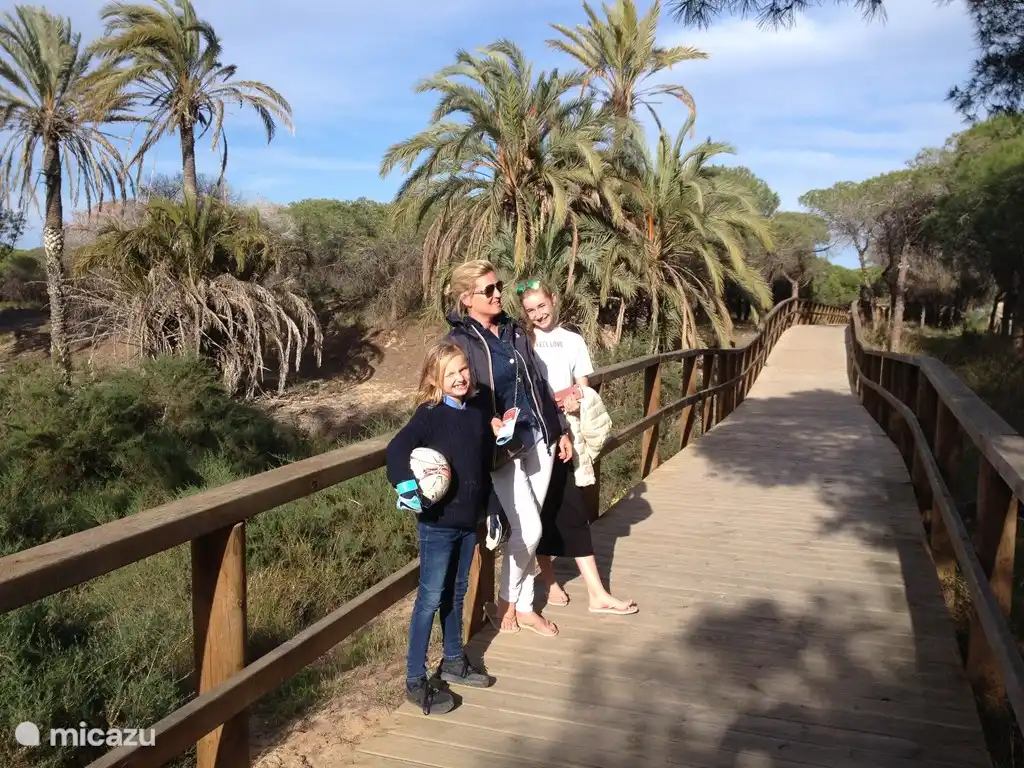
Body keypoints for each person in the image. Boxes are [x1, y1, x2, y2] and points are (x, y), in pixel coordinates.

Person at [446, 259, 574, 637]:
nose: (498, 293)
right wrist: (482, 420)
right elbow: (448, 392)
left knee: (526, 530)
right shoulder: (459, 342)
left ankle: (521, 606)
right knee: (530, 529)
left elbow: (538, 380)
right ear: (467, 298)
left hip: (539, 436)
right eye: (489, 290)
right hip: (502, 450)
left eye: (497, 286)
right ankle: (504, 604)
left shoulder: (513, 330)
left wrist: (561, 427)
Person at [385, 340, 502, 715]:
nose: (460, 377)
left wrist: (493, 509)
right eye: (450, 373)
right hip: (437, 524)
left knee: (456, 593)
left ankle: (453, 660)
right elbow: (396, 451)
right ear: (434, 379)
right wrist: (407, 487)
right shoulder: (429, 414)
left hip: (469, 523)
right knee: (430, 598)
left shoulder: (477, 413)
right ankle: (415, 680)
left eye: (463, 369)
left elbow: (483, 469)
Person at [517, 279, 638, 616]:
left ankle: (597, 593)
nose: (539, 314)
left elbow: (583, 385)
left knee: (573, 508)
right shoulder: (522, 342)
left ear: (554, 300)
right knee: (540, 509)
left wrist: (574, 398)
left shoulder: (573, 340)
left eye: (542, 306)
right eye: (531, 310)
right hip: (537, 436)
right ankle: (551, 579)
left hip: (567, 435)